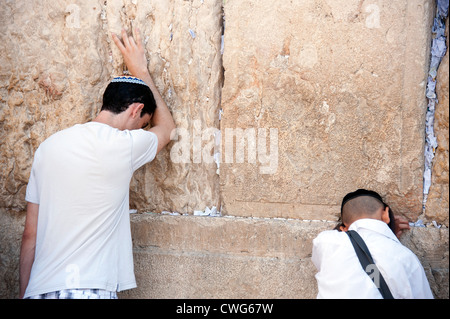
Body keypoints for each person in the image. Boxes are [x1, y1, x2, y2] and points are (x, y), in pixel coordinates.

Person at [19, 28, 176, 299]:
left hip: (39, 289)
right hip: (88, 288)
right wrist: (141, 71)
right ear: (136, 110)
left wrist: (25, 293)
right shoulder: (124, 145)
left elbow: (29, 235)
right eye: (143, 123)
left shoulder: (47, 148)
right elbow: (168, 129)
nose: (140, 130)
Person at [312, 189, 434, 299]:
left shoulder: (326, 241)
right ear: (385, 214)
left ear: (344, 228)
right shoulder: (406, 258)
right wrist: (389, 234)